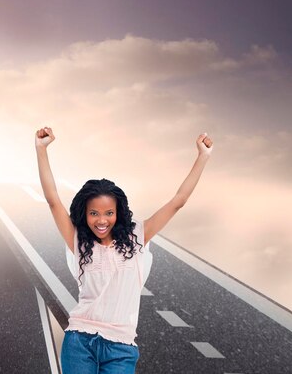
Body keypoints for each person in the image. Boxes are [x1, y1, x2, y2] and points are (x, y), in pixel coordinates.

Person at [34, 126, 213, 374]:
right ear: (84, 215)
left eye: (109, 213)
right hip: (80, 342)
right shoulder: (79, 241)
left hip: (121, 349)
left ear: (118, 214)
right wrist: (41, 149)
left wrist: (202, 156)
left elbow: (178, 201)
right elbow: (53, 200)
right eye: (93, 213)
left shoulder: (137, 236)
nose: (101, 220)